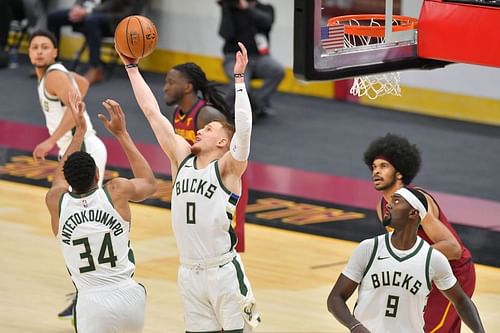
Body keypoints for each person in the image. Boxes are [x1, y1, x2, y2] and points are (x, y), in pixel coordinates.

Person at [119, 42, 260, 332]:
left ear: (223, 142)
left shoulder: (228, 168)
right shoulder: (181, 158)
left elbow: (244, 130)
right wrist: (131, 68)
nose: (200, 129)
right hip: (188, 272)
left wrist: (239, 80)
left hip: (223, 271)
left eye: (209, 129)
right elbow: (151, 112)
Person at [45, 91, 157, 332]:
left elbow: (58, 182)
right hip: (128, 295)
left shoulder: (56, 201)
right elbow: (149, 182)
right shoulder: (115, 191)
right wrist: (121, 134)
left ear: (68, 179)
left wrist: (79, 135)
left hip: (90, 300)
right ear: (98, 175)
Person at [327, 187, 485, 333]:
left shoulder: (433, 259)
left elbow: (461, 301)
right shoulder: (369, 248)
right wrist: (355, 326)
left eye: (396, 201)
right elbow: (335, 298)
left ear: (413, 213)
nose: (388, 205)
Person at [28, 29, 108, 319]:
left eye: (44, 46)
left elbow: (75, 110)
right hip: (78, 147)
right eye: (34, 46)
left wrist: (51, 141)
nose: (38, 51)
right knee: (67, 218)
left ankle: (89, 287)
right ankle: (87, 285)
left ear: (54, 53)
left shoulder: (52, 75)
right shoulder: (52, 75)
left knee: (69, 220)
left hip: (82, 146)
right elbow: (83, 84)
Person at [363, 133, 477, 332]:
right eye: (373, 167)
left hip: (454, 273)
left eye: (383, 166)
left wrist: (410, 261)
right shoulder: (382, 207)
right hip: (425, 276)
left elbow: (453, 248)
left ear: (399, 173)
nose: (376, 172)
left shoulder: (418, 201)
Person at [165, 62, 247, 252]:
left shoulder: (207, 115)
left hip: (222, 183)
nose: (166, 87)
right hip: (198, 183)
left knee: (226, 244)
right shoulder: (176, 114)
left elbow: (229, 150)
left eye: (171, 82)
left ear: (187, 86)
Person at [47, 0, 142, 84]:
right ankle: (51, 63)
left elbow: (113, 4)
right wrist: (77, 6)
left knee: (91, 21)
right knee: (53, 17)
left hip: (116, 17)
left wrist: (87, 12)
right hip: (92, 13)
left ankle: (95, 68)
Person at [218, 0, 284, 118]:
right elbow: (225, 34)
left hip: (259, 58)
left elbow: (267, 21)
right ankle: (223, 110)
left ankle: (256, 103)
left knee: (277, 71)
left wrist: (247, 8)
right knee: (240, 86)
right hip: (235, 58)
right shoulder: (232, 10)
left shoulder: (266, 8)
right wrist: (226, 9)